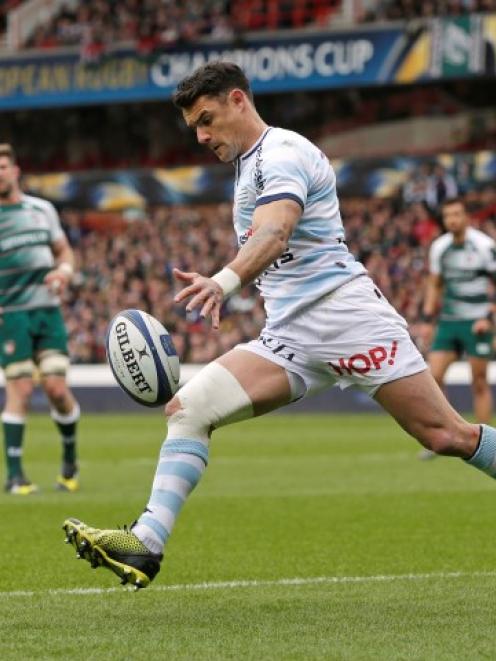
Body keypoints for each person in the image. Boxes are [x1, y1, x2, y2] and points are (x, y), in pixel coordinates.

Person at [63, 62, 496, 590]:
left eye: (207, 119)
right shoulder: (249, 167)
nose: (201, 137)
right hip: (289, 335)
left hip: (346, 318)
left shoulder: (284, 153)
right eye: (194, 128)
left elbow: (277, 230)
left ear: (239, 101)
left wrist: (223, 281)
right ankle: (147, 544)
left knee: (447, 435)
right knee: (188, 409)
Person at [0, 144, 80, 494]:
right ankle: (15, 474)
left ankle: (69, 462)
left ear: (15, 171)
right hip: (11, 315)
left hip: (47, 312)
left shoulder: (42, 210)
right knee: (20, 388)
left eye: (3, 166)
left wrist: (63, 271)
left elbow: (63, 250)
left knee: (56, 389)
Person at [419, 197, 495, 459]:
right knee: (434, 377)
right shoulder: (440, 247)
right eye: (447, 215)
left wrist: (489, 316)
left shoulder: (484, 246)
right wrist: (428, 320)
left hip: (477, 322)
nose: (452, 219)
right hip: (449, 321)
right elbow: (435, 284)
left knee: (479, 381)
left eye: (456, 214)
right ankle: (448, 436)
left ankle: (487, 445)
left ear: (466, 217)